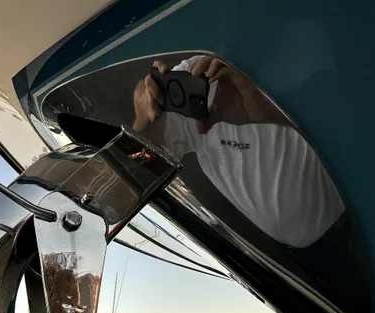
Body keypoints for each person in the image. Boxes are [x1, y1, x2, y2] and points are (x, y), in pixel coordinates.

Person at [132, 55, 345, 249]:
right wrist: (145, 118)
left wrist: (267, 110)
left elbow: (350, 131)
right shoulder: (194, 75)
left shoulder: (306, 57)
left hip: (352, 219)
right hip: (282, 258)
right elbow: (147, 168)